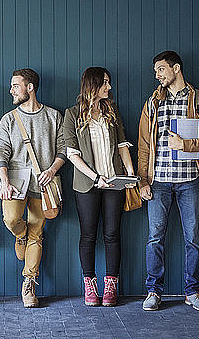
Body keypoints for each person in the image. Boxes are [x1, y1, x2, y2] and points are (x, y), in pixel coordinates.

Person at [138, 51, 199, 312]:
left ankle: (192, 292)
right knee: (155, 238)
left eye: (161, 69)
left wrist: (185, 144)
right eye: (156, 71)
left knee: (193, 238)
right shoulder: (153, 103)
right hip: (158, 182)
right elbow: (143, 145)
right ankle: (153, 291)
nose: (158, 75)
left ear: (176, 68)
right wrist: (143, 180)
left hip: (191, 181)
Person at [63, 67, 136, 307]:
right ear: (92, 84)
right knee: (88, 235)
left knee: (113, 234)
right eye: (105, 83)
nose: (109, 87)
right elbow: (72, 155)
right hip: (87, 184)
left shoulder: (111, 112)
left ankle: (111, 285)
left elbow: (123, 144)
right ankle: (90, 285)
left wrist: (131, 172)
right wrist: (95, 178)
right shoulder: (72, 115)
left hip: (114, 182)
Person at [0, 68, 65, 308]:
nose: (11, 90)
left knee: (37, 233)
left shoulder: (54, 117)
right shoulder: (8, 119)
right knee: (12, 219)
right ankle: (19, 234)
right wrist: (4, 180)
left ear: (30, 87)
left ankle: (29, 284)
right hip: (15, 183)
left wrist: (52, 170)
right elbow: (0, 151)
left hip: (44, 185)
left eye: (15, 86)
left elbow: (63, 149)